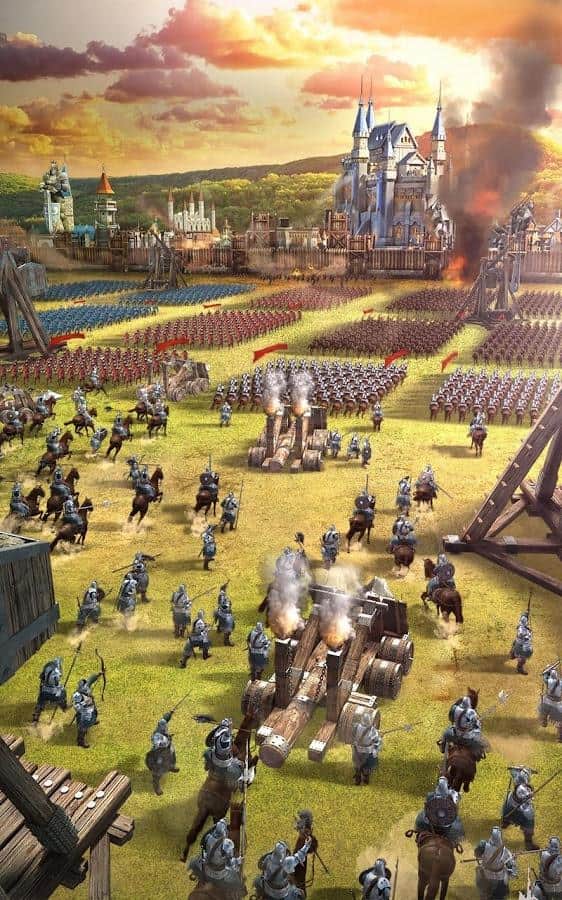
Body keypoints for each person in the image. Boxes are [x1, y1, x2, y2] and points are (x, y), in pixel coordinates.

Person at [188, 819, 244, 892]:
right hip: (218, 874)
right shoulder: (227, 844)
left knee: (195, 860)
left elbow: (203, 848)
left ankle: (195, 874)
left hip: (205, 868)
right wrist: (238, 861)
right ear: (224, 831)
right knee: (237, 881)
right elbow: (229, 864)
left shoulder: (208, 837)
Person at [414, 776, 465, 845]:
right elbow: (455, 806)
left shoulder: (431, 795)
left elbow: (427, 806)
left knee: (420, 820)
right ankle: (458, 840)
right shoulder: (453, 795)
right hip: (449, 829)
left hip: (427, 823)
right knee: (458, 830)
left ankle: (418, 833)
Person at [501, 767, 539, 850]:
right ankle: (528, 844)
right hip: (517, 809)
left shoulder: (516, 775)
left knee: (508, 799)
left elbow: (515, 770)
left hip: (510, 804)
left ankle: (505, 822)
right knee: (529, 818)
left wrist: (531, 771)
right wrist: (531, 795)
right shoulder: (522, 789)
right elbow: (528, 799)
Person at [439, 695, 487, 760]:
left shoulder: (456, 709)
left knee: (446, 733)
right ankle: (479, 755)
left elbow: (451, 718)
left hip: (455, 736)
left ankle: (442, 747)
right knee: (481, 742)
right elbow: (477, 726)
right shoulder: (472, 712)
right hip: (468, 739)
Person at [473, 826, 517, 899]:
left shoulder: (483, 845)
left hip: (488, 876)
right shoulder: (506, 851)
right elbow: (512, 869)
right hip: (498, 879)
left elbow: (476, 854)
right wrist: (513, 858)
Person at [145, 711, 179, 795]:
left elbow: (165, 719)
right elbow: (158, 744)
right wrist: (165, 742)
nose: (164, 728)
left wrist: (169, 714)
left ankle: (171, 766)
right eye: (163, 727)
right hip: (159, 753)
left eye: (164, 727)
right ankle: (156, 785)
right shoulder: (156, 736)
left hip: (168, 750)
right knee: (158, 767)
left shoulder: (162, 726)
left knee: (172, 756)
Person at [352, 711, 383, 786]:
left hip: (357, 750)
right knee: (367, 766)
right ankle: (365, 779)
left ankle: (358, 779)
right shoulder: (372, 730)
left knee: (357, 764)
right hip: (367, 752)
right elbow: (377, 741)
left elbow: (352, 735)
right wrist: (380, 736)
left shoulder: (356, 727)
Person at [32, 657, 67, 722]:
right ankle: (63, 707)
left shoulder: (47, 666)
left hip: (44, 692)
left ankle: (36, 714)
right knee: (63, 693)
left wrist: (41, 690)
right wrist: (60, 691)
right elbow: (57, 684)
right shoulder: (56, 672)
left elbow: (42, 678)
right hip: (52, 693)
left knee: (41, 700)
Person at [292, 810, 318, 897]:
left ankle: (299, 893)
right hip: (297, 858)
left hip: (300, 860)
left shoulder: (307, 835)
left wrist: (308, 839)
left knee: (299, 876)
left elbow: (312, 847)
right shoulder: (302, 834)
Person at [72, 673, 101, 748]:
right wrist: (85, 702)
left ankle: (92, 721)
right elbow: (76, 706)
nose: (85, 688)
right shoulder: (77, 695)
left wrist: (99, 674)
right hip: (84, 712)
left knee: (94, 714)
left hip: (91, 708)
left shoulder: (86, 686)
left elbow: (91, 679)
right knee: (83, 727)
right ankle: (80, 741)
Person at [539, 664, 562, 741]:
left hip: (547, 701)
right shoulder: (561, 682)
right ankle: (559, 738)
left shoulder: (548, 681)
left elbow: (544, 675)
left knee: (542, 709)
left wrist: (547, 670)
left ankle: (543, 722)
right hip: (557, 704)